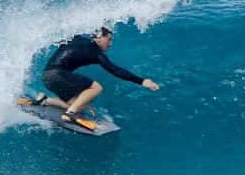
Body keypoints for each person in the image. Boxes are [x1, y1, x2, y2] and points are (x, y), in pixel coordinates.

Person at [27, 26, 160, 127]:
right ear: (98, 38)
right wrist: (142, 81)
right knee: (96, 88)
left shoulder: (78, 38)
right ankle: (69, 114)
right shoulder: (96, 53)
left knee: (81, 106)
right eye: (109, 39)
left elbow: (64, 36)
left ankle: (45, 100)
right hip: (58, 74)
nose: (110, 43)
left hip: (47, 76)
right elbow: (116, 70)